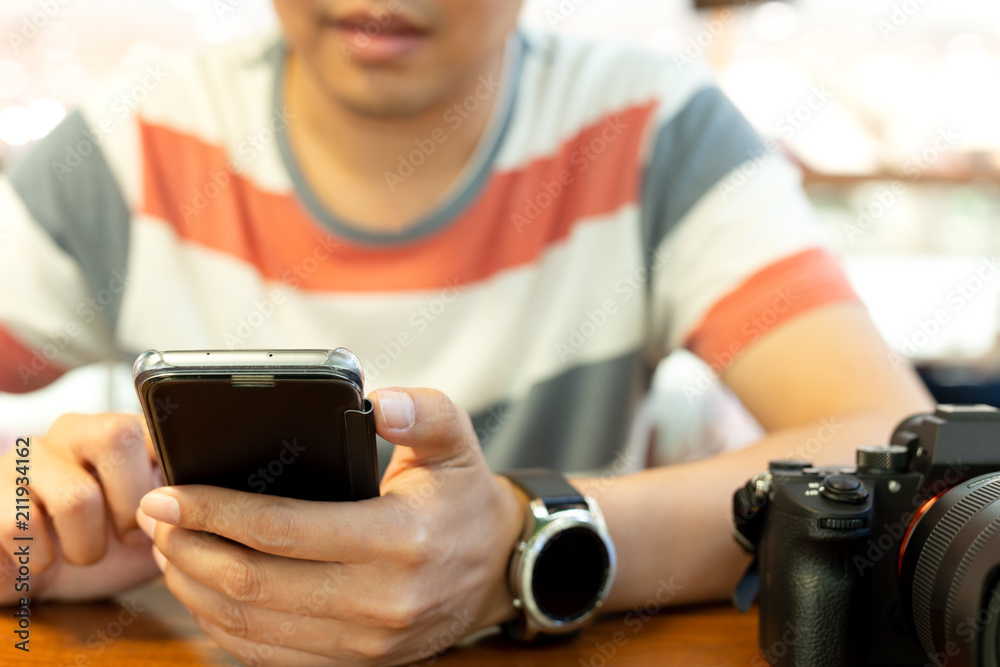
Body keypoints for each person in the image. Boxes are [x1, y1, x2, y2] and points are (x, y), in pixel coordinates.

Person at [0, 0, 932, 664]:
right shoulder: (130, 141)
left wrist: (523, 542)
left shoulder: (657, 135)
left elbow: (885, 445)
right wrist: (26, 494)